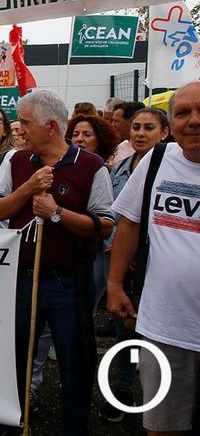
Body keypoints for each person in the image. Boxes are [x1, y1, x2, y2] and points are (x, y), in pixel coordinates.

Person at [0, 90, 114, 435]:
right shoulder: (17, 162)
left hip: (68, 282)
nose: (20, 129)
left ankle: (74, 425)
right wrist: (29, 188)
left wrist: (58, 214)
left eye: (26, 123)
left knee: (74, 358)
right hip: (21, 278)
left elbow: (105, 224)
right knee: (16, 354)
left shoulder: (90, 167)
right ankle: (14, 419)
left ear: (51, 126)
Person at [107, 81, 200, 435]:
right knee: (163, 426)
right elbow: (129, 222)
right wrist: (115, 284)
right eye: (183, 113)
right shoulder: (157, 162)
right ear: (172, 123)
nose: (193, 121)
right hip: (165, 328)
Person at [95, 107, 170, 423]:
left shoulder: (172, 169)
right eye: (136, 127)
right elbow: (118, 217)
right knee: (126, 331)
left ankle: (162, 402)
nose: (140, 133)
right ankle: (125, 392)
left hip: (160, 267)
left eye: (149, 127)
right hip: (123, 265)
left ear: (164, 133)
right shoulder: (123, 167)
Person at [110, 100, 144, 165]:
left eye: (116, 121)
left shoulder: (150, 149)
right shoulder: (119, 148)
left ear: (131, 121)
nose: (112, 125)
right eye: (113, 120)